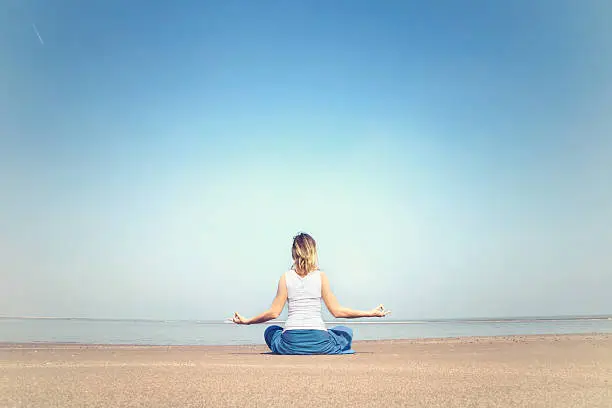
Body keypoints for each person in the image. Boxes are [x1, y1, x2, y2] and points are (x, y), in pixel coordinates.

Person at [232, 232, 390, 355]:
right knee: (345, 332)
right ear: (313, 252)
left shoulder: (285, 277)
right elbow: (337, 311)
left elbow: (274, 313)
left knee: (271, 331)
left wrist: (247, 322)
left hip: (290, 343)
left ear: (294, 253)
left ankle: (297, 346)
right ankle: (317, 345)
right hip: (319, 340)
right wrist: (370, 313)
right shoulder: (321, 276)